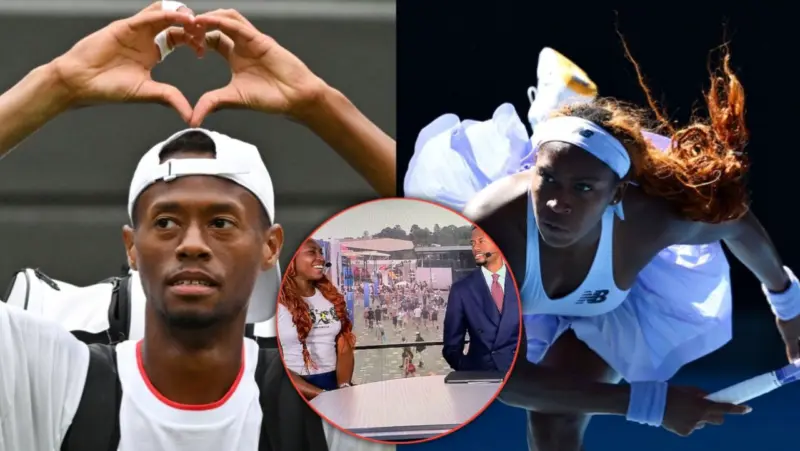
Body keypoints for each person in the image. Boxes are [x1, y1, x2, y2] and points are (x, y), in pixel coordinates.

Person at [0, 4, 393, 451]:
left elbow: (481, 250)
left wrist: (319, 104)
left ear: (271, 247)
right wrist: (56, 84)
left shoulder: (330, 407)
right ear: (132, 246)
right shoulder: (50, 382)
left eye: (221, 222)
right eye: (166, 222)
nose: (192, 244)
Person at [404, 44, 800, 449]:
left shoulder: (649, 221)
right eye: (548, 180)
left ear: (616, 197)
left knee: (555, 419)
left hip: (615, 306)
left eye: (584, 188)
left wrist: (789, 306)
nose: (558, 203)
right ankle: (553, 113)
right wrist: (653, 405)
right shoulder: (490, 230)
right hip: (517, 286)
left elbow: (736, 225)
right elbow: (507, 380)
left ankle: (561, 112)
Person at [278, 240, 356, 398]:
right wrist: (321, 395)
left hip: (332, 383)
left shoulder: (330, 296)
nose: (321, 258)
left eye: (321, 252)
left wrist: (344, 387)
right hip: (292, 388)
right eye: (312, 252)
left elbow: (343, 345)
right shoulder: (276, 303)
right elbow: (270, 363)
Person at [442, 226, 519, 372]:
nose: (475, 248)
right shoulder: (461, 289)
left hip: (521, 379)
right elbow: (451, 346)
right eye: (472, 243)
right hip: (481, 377)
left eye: (481, 241)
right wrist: (467, 369)